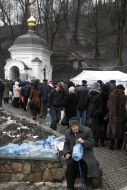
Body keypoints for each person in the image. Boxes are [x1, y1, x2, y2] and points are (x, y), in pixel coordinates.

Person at [63, 117, 99, 190]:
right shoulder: (67, 133)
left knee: (87, 164)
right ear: (70, 127)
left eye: (76, 126)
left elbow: (92, 143)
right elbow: (66, 144)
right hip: (74, 154)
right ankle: (70, 186)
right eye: (73, 127)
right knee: (70, 165)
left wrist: (83, 141)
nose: (75, 128)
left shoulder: (87, 130)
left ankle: (88, 184)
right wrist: (66, 153)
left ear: (79, 125)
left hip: (85, 153)